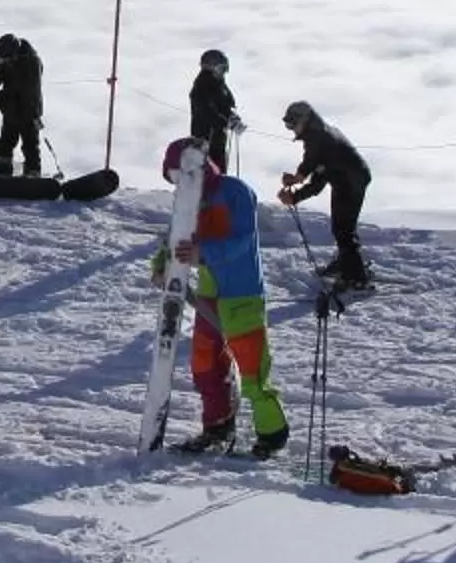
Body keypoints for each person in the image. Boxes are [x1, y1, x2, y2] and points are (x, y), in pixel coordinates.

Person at [149, 136, 289, 458]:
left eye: (177, 175)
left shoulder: (234, 191)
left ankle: (272, 433)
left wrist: (204, 252)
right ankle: (217, 426)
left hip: (241, 293)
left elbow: (242, 238)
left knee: (252, 368)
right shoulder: (188, 200)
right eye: (171, 178)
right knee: (205, 362)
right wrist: (161, 265)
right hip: (209, 295)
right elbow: (176, 237)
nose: (176, 183)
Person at [277, 100, 375, 292]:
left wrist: (295, 196)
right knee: (342, 226)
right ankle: (346, 264)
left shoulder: (322, 140)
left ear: (304, 120)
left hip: (350, 182)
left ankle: (356, 279)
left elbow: (317, 183)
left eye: (293, 124)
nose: (292, 130)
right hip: (346, 179)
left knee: (343, 230)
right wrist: (298, 177)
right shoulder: (317, 136)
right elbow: (311, 161)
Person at [0, 32, 45, 177]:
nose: (6, 61)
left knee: (30, 145)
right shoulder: (3, 58)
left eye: (8, 58)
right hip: (11, 111)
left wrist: (33, 115)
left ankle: (33, 174)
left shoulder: (32, 61)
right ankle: (3, 172)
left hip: (29, 110)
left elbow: (29, 91)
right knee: (5, 144)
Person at [188, 50, 242, 170]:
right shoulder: (201, 88)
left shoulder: (219, 86)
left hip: (218, 139)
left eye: (225, 69)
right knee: (208, 173)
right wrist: (227, 122)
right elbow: (207, 113)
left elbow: (223, 108)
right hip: (205, 141)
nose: (223, 73)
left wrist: (233, 118)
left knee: (218, 170)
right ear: (209, 67)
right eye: (221, 69)